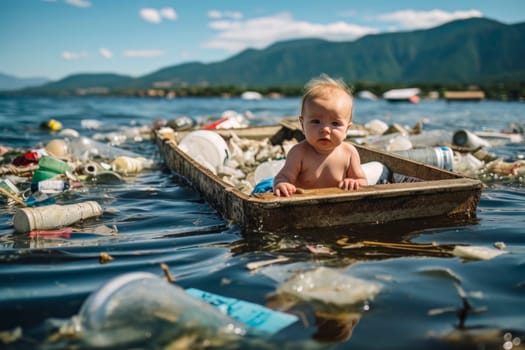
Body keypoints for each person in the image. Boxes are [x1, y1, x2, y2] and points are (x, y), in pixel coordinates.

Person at [273, 75, 367, 197]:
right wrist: (282, 184)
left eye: (335, 123)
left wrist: (354, 182)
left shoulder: (349, 153)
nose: (325, 130)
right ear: (302, 124)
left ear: (346, 129)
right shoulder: (299, 153)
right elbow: (282, 178)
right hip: (305, 206)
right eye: (316, 122)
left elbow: (362, 181)